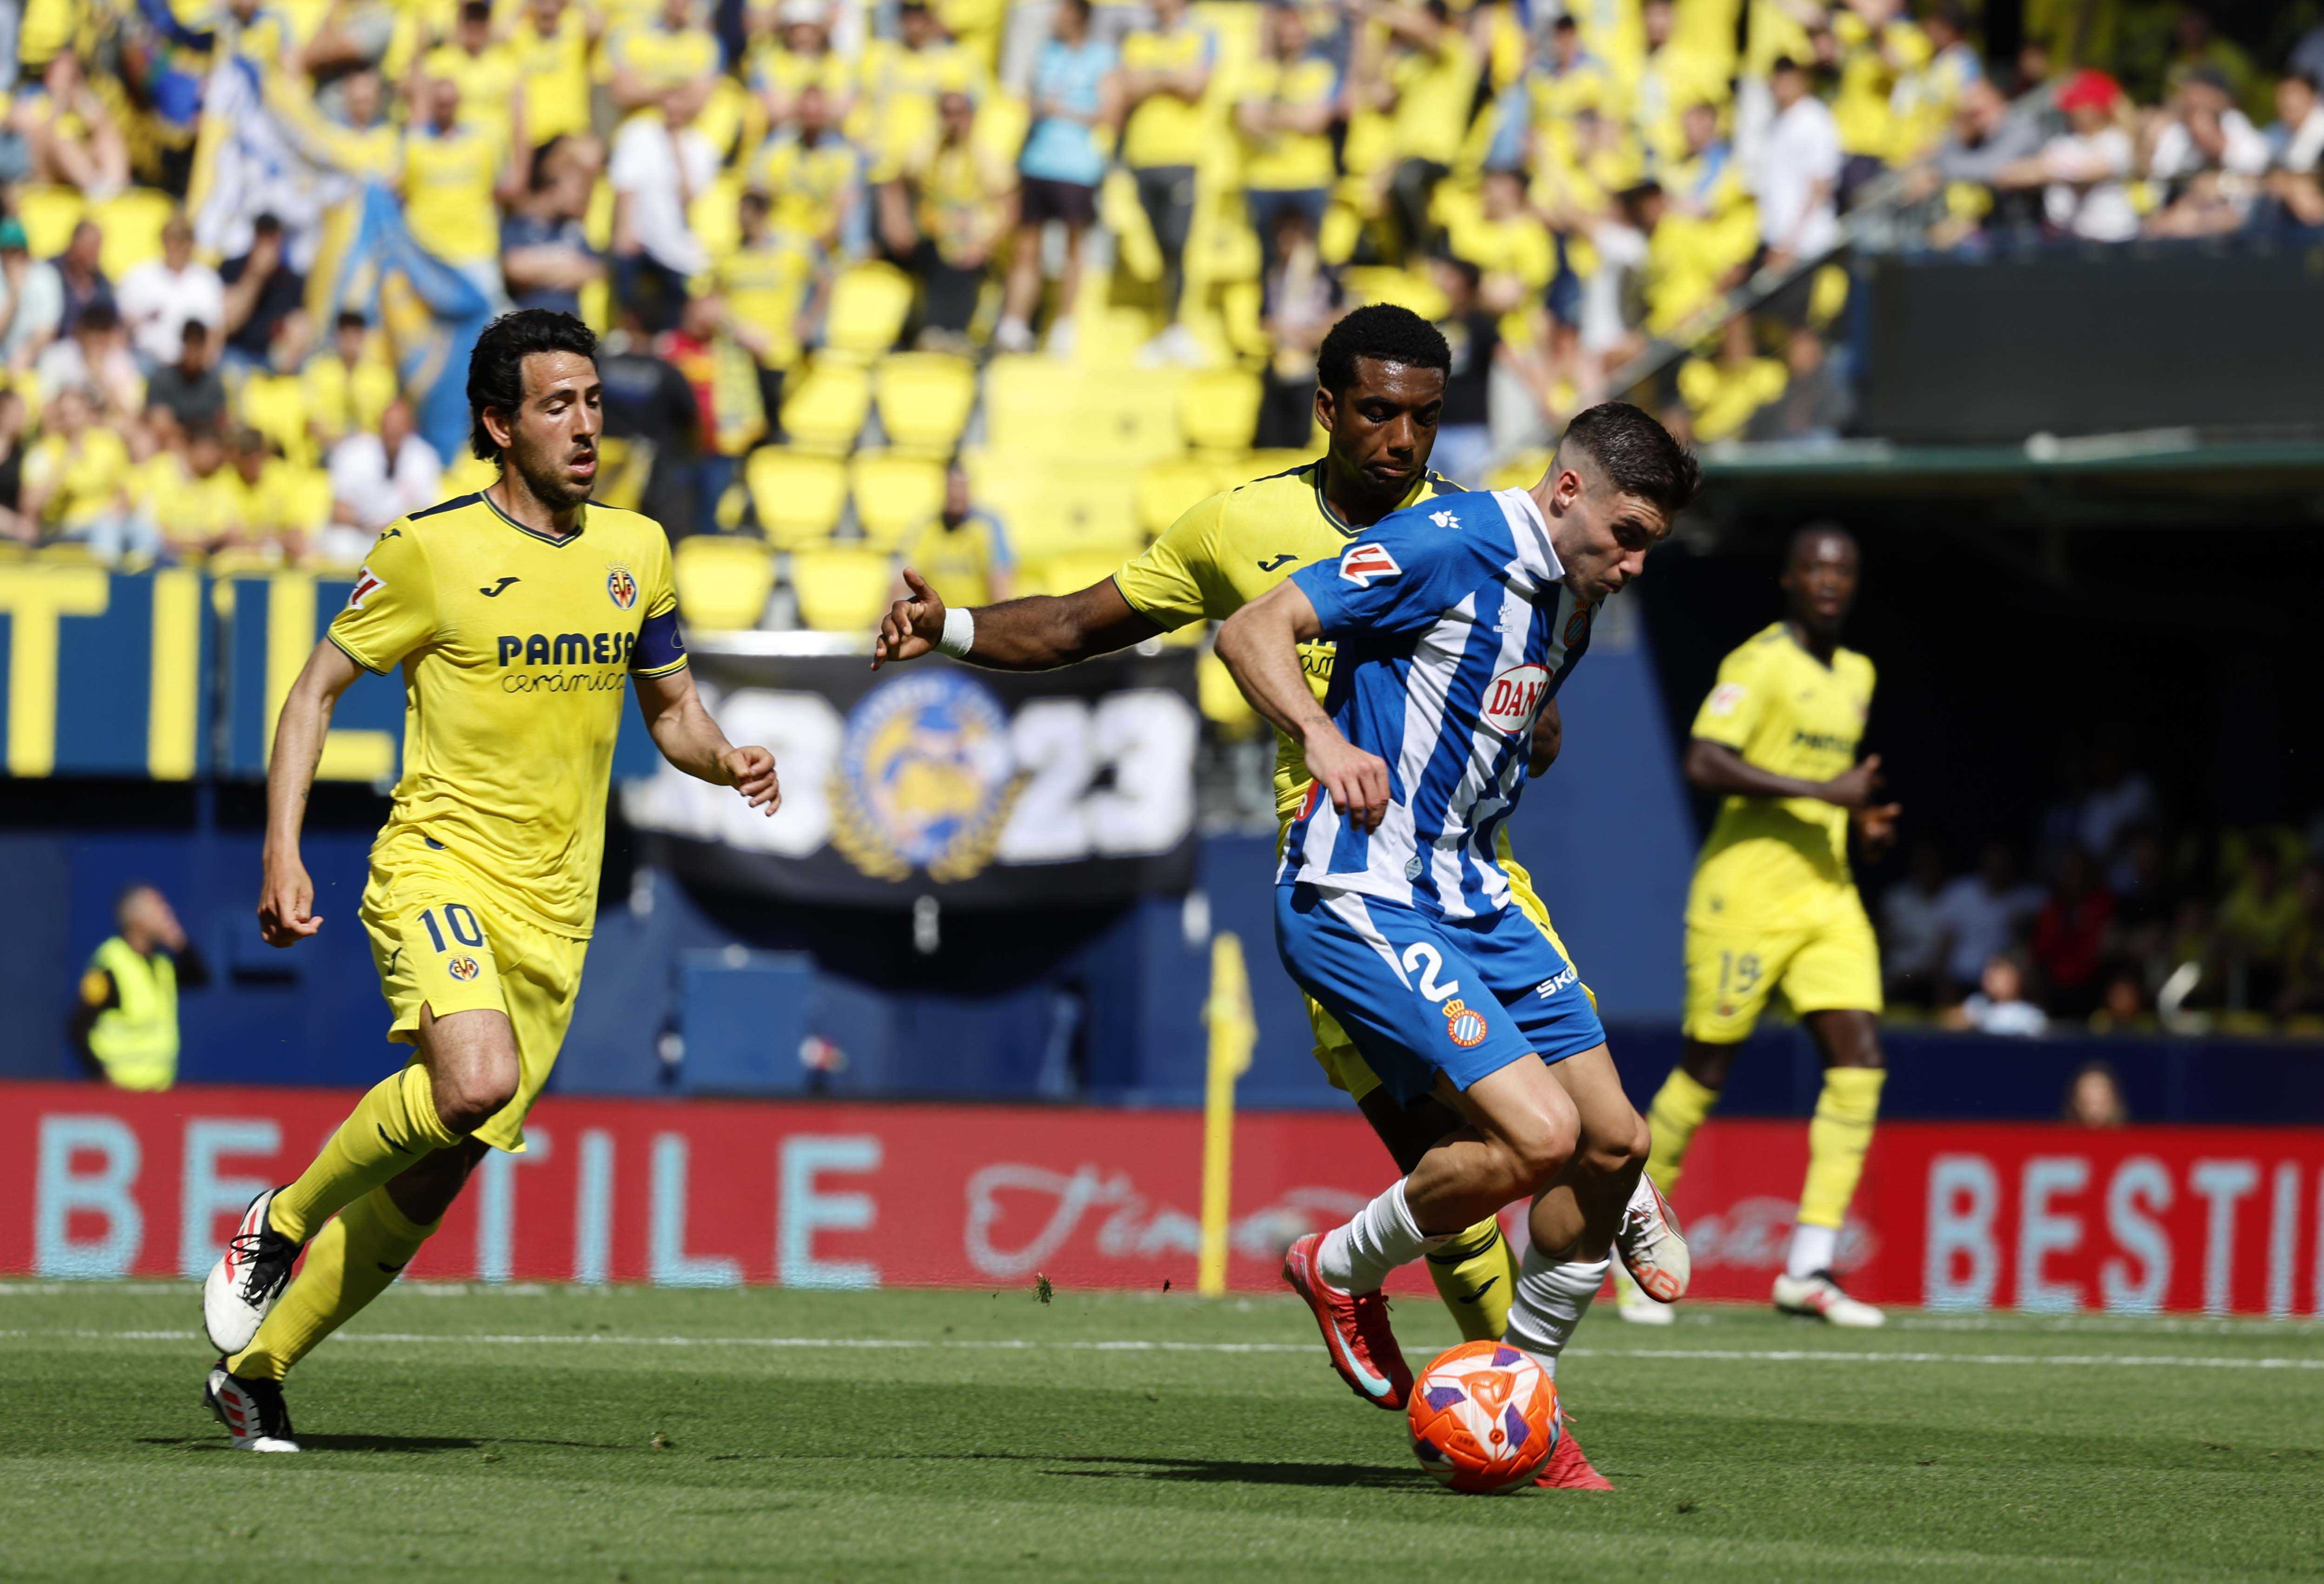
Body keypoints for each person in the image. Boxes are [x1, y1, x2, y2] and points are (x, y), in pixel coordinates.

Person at [872, 313, 1691, 1489]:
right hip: (1353, 877)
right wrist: (950, 626)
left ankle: (1529, 1354)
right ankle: (1413, 1323)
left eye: (1424, 416)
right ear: (1326, 409)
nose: (1402, 438)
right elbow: (1075, 624)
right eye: (1378, 412)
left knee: (1583, 1140)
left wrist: (1484, 720)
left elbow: (1527, 708)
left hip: (1472, 873)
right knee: (1481, 1154)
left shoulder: (1536, 554)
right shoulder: (1276, 529)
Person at [200, 309, 781, 1453]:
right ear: (498, 425)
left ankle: (257, 1372)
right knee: (471, 1084)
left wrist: (725, 759)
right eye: (557, 405)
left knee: (442, 1161)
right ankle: (280, 1219)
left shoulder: (637, 550)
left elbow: (672, 709)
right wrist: (281, 849)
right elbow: (313, 691)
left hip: (556, 914)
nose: (585, 425)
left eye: (594, 401)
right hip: (440, 865)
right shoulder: (430, 550)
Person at [1210, 399, 1698, 1477]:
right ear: (1564, 490)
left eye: (1648, 548)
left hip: (1472, 894)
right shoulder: (1448, 541)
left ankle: (1515, 1397)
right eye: (1625, 535)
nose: (1632, 565)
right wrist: (1321, 734)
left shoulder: (1573, 601)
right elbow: (1249, 629)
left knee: (1614, 1145)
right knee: (1537, 1137)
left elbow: (1505, 710)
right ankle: (1338, 1265)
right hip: (1361, 888)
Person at [1631, 525, 1899, 1329]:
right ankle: (1634, 1236)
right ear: (1788, 579)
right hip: (1745, 898)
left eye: (1842, 569)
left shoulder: (1857, 673)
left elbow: (1830, 784)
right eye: (1814, 568)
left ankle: (1808, 1269)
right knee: (1706, 1070)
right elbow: (1705, 761)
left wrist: (1858, 821)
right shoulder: (1757, 664)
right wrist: (1824, 794)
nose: (1829, 581)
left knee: (1859, 1064)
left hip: (1826, 896)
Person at [994, 0, 1117, 357]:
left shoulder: (1102, 57)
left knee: (1073, 248)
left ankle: (1065, 325)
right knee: (1025, 248)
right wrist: (1037, 108)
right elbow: (1027, 100)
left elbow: (1109, 113)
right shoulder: (1046, 53)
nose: (1054, 18)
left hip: (1077, 166)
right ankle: (1014, 324)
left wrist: (1062, 111)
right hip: (1037, 162)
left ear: (1078, 15)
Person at [1117, 0, 1214, 365]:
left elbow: (1195, 85)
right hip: (1142, 157)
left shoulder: (1201, 35)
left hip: (1182, 156)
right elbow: (1128, 87)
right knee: (1156, 250)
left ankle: (1177, 328)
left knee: (1177, 243)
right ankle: (1166, 327)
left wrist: (1153, 78)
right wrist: (1171, 76)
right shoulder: (1137, 39)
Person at [71, 884, 209, 1091]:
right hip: (121, 1094)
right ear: (135, 919)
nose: (165, 914)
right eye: (157, 908)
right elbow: (78, 1027)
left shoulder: (162, 964)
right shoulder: (110, 966)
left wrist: (179, 941)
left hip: (159, 1091)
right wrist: (102, 1079)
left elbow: (200, 977)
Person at [117, 212, 224, 369]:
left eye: (183, 240)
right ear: (163, 241)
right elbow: (121, 328)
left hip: (191, 367)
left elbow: (216, 332)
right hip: (147, 360)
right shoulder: (138, 277)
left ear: (192, 243)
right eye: (172, 239)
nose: (177, 246)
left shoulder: (207, 280)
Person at [899, 460, 1012, 606]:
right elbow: (903, 577)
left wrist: (996, 617)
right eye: (951, 487)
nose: (956, 494)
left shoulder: (986, 527)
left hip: (976, 616)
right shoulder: (928, 527)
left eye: (961, 487)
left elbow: (999, 581)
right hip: (939, 616)